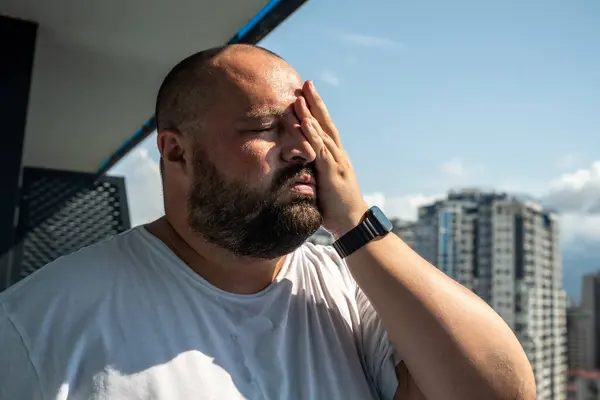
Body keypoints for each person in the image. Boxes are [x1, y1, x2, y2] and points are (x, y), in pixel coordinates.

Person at [0, 44, 535, 400]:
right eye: (266, 128)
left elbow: (498, 391)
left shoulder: (349, 292)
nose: (304, 149)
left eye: (310, 130)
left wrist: (355, 223)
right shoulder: (34, 325)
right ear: (177, 153)